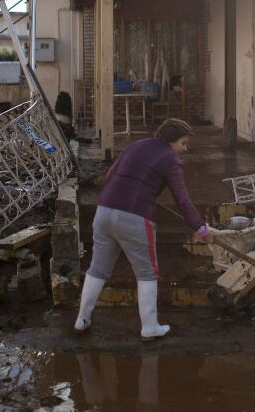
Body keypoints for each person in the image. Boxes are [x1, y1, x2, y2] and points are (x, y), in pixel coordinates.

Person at [75, 118, 213, 340]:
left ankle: (82, 319)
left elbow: (110, 176)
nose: (185, 149)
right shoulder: (171, 160)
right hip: (134, 218)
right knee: (147, 272)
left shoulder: (135, 145)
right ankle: (149, 327)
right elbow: (182, 200)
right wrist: (200, 227)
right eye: (183, 143)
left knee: (98, 268)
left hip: (104, 211)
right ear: (171, 141)